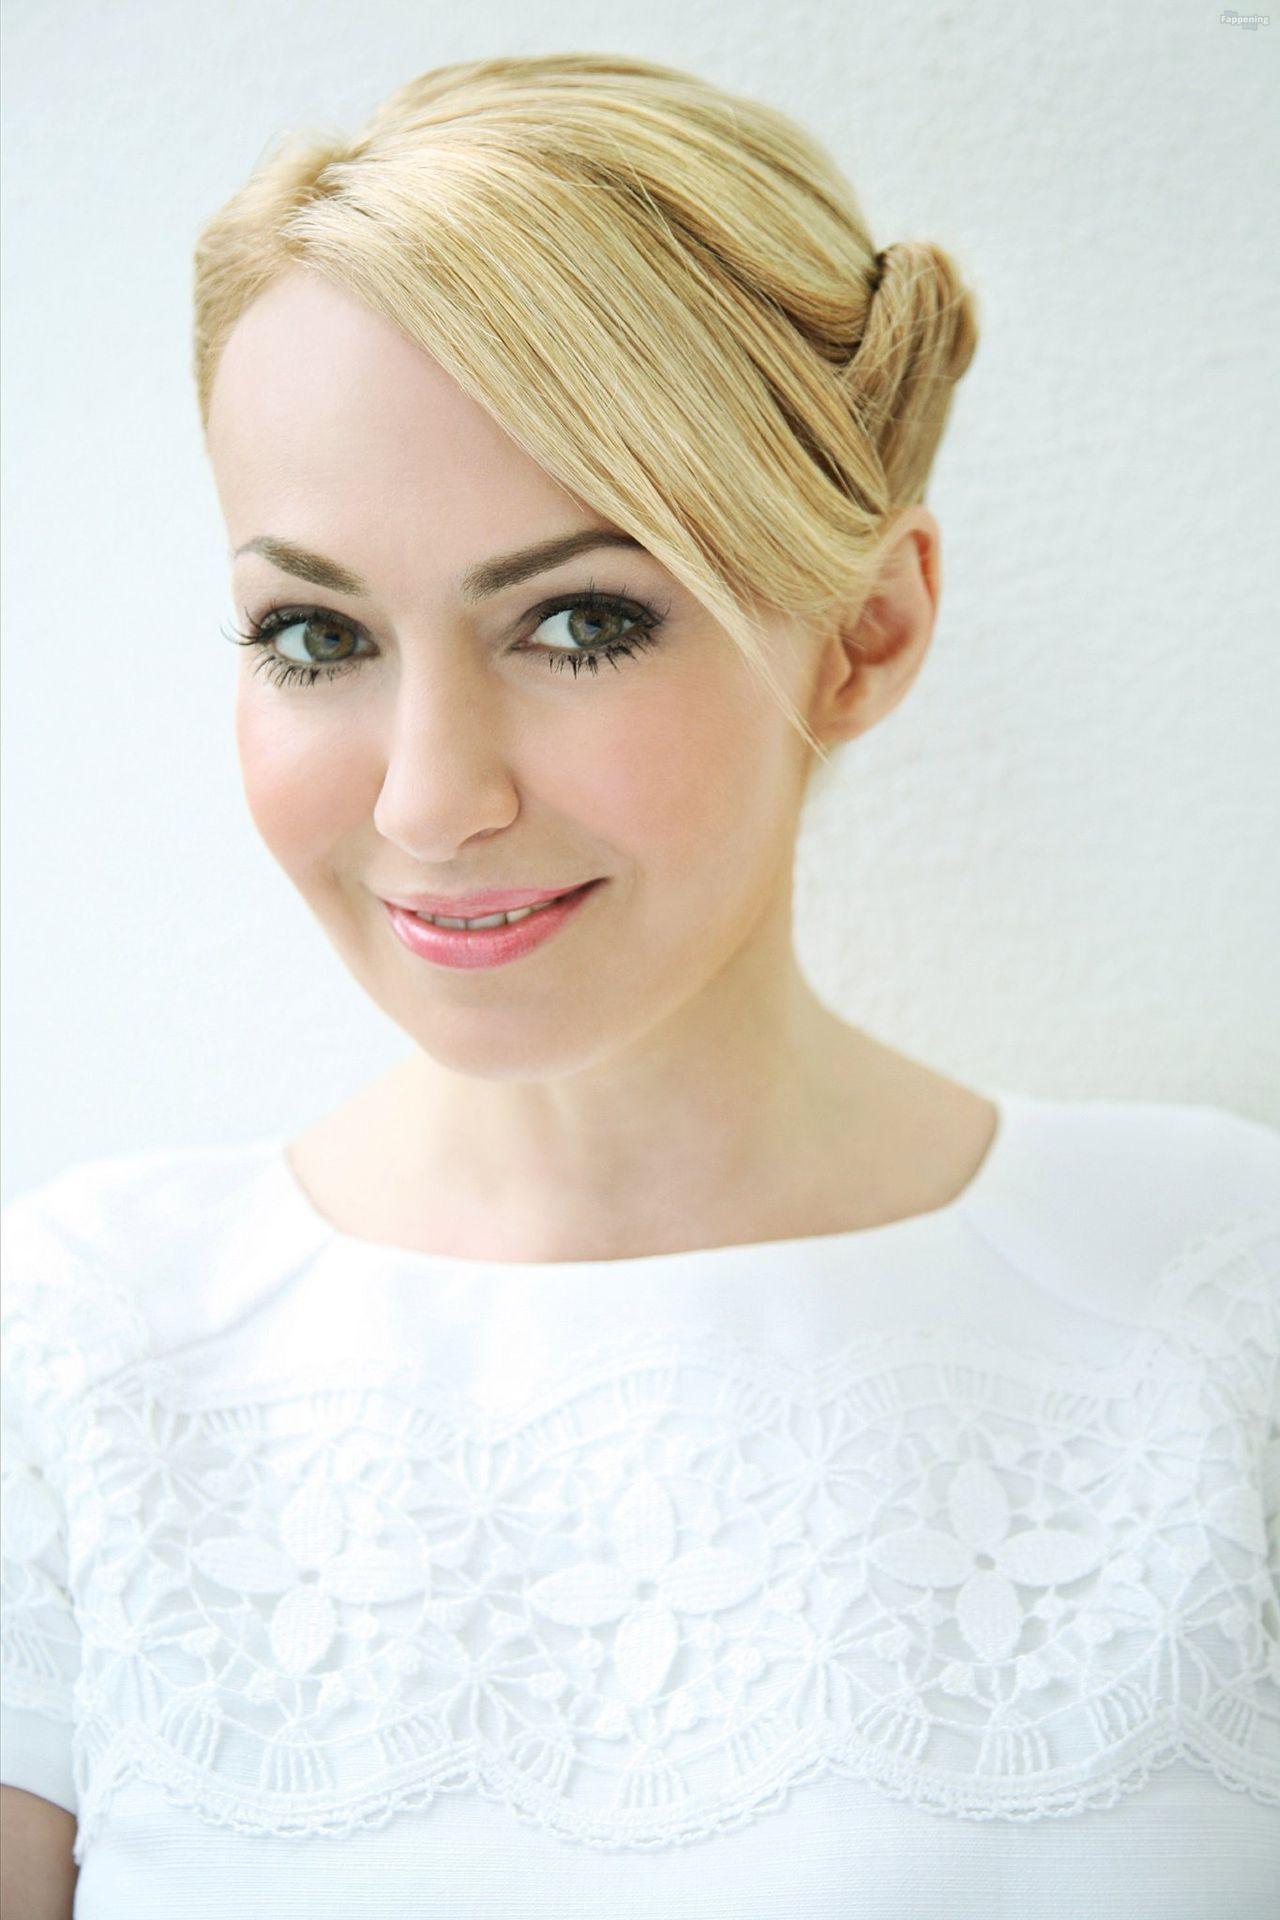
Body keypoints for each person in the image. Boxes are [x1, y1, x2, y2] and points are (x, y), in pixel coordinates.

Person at [2, 50, 1277, 1920]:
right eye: (316, 635)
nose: (429, 801)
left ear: (865, 632)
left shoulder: (1223, 1302)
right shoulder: (78, 1351)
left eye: (580, 621)